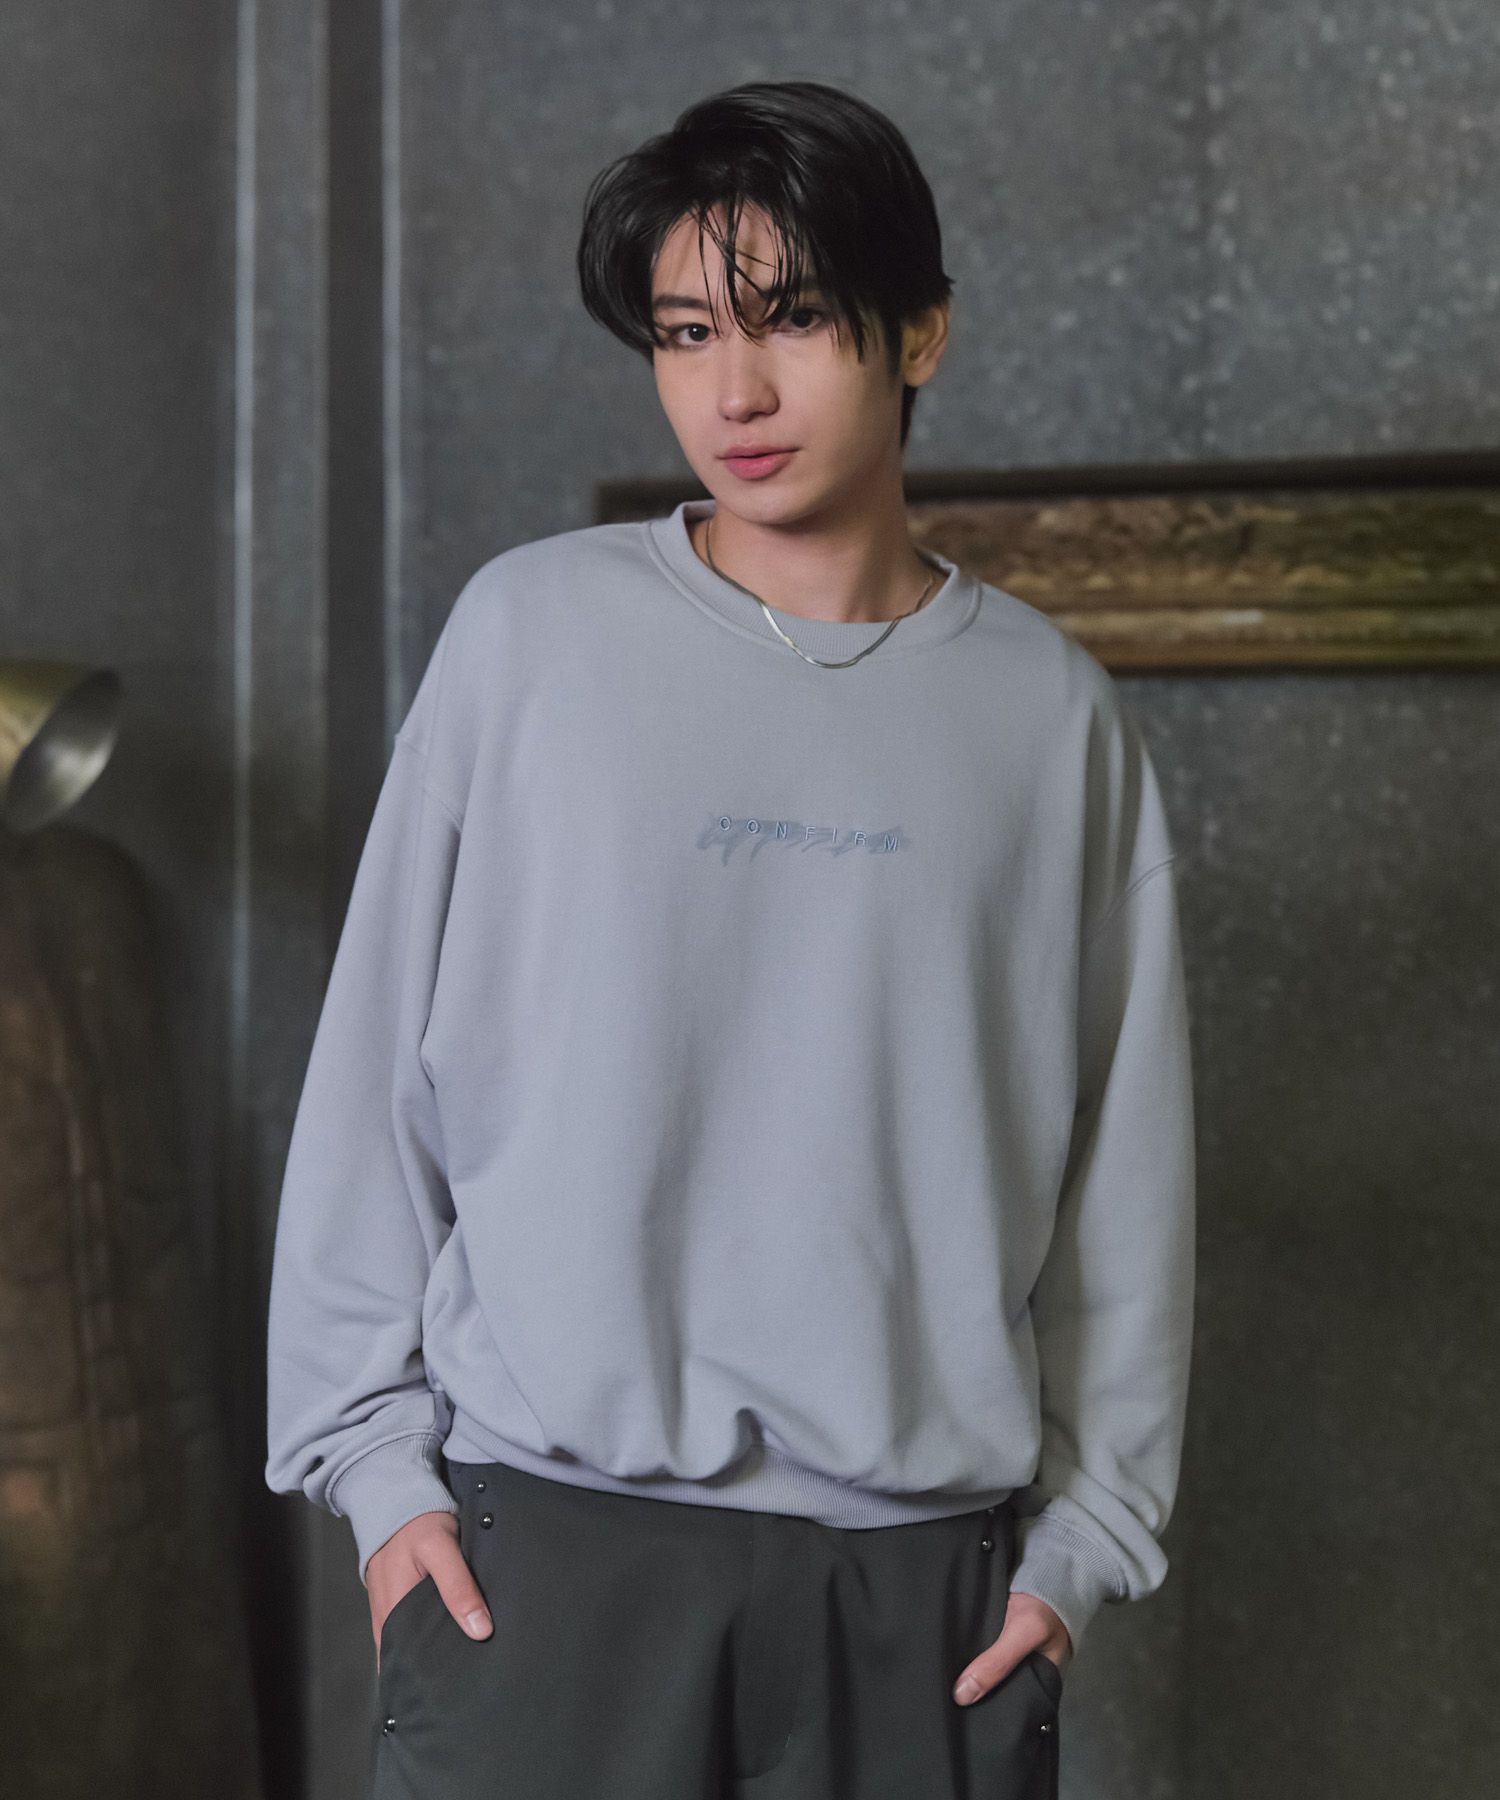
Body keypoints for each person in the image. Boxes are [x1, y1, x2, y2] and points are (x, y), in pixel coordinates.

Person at [264, 77, 1196, 1799]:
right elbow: (375, 1082)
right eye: (687, 333)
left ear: (921, 332)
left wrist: (1080, 1551)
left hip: (923, 1600)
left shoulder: (1052, 717)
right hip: (541, 1566)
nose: (734, 393)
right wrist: (380, 1483)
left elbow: (1121, 1182)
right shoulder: (529, 638)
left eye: (796, 320)